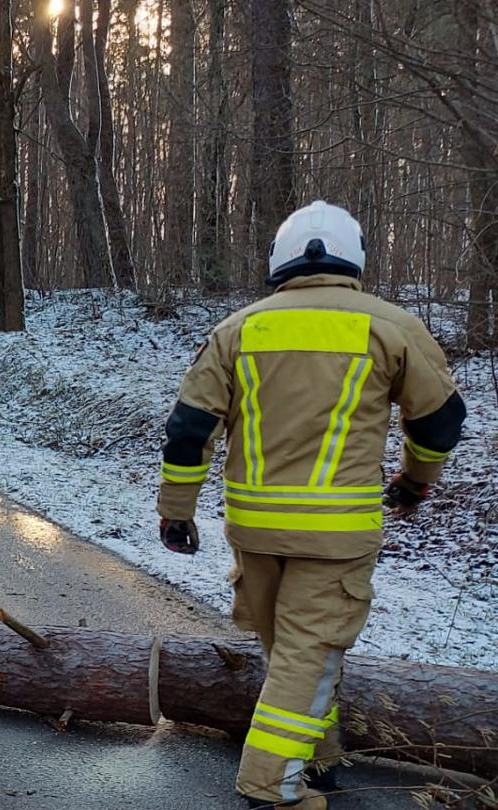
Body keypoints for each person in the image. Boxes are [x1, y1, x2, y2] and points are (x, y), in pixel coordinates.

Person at [156, 200, 466, 808]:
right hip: (335, 533)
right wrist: (415, 479)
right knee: (309, 654)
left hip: (254, 527)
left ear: (280, 260)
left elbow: (189, 430)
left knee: (290, 650)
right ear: (355, 258)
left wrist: (176, 510)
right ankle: (269, 786)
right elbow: (441, 421)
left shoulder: (240, 329)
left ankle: (317, 762)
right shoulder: (389, 325)